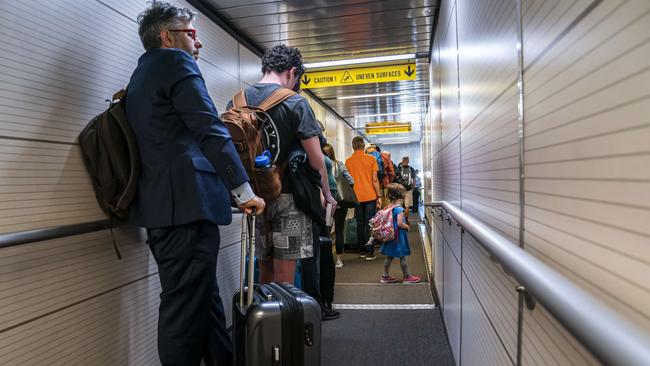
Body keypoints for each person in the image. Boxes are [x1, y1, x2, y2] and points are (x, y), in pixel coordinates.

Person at [126, 3, 265, 365]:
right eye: (191, 34)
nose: (198, 43)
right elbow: (210, 129)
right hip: (185, 210)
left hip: (169, 209)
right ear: (166, 37)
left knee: (204, 302)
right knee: (183, 311)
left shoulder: (142, 74)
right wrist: (245, 192)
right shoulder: (175, 63)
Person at [225, 45, 337, 317]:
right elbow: (316, 159)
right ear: (293, 72)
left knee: (264, 270)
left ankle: (264, 336)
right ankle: (285, 341)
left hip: (255, 198)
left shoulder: (237, 101)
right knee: (285, 276)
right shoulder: (295, 102)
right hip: (290, 197)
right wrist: (326, 192)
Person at [345, 137, 381, 260]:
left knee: (360, 223)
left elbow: (348, 181)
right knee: (369, 223)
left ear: (353, 146)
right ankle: (370, 252)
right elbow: (375, 180)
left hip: (356, 197)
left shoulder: (348, 161)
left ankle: (362, 251)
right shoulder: (371, 159)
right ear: (363, 146)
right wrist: (379, 196)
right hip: (370, 195)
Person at [378, 184, 421, 284]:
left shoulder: (388, 207)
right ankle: (407, 276)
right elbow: (400, 223)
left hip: (390, 235)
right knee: (402, 256)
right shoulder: (399, 209)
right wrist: (406, 226)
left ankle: (385, 276)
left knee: (389, 256)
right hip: (398, 236)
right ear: (401, 196)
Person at [322, 143, 354, 268]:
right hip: (340, 201)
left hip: (327, 203)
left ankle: (326, 259)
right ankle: (339, 259)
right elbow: (351, 180)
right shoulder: (339, 164)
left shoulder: (320, 163)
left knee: (326, 229)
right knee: (339, 230)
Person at [395, 156, 416, 224]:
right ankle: (406, 220)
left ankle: (400, 220)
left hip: (400, 190)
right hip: (408, 190)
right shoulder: (411, 169)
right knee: (407, 206)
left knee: (400, 206)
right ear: (408, 161)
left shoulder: (399, 168)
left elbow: (395, 179)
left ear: (402, 160)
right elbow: (414, 180)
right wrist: (412, 189)